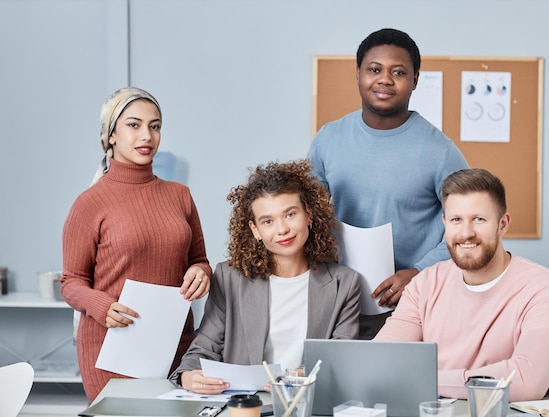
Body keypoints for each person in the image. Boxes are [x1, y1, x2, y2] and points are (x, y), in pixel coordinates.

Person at [307, 28, 469, 338]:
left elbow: (468, 227)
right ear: (358, 75)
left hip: (410, 302)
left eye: (398, 72)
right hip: (339, 298)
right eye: (374, 70)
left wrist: (419, 274)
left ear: (415, 80)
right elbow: (306, 212)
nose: (385, 79)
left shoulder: (440, 151)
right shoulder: (328, 138)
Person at [61, 87, 212, 401]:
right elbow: (71, 283)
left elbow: (199, 260)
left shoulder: (180, 195)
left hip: (176, 345)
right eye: (134, 125)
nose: (147, 135)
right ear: (112, 135)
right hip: (112, 347)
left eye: (154, 126)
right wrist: (100, 306)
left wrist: (201, 272)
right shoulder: (89, 203)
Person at [374, 168, 549, 401]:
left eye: (479, 219)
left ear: (503, 224)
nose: (466, 233)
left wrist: (422, 379)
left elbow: (524, 382)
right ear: (445, 224)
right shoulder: (424, 284)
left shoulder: (546, 291)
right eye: (456, 220)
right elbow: (381, 360)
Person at [169, 160, 361, 394]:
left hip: (305, 404)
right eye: (268, 221)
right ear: (255, 230)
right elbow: (202, 348)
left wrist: (306, 373)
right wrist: (188, 376)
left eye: (290, 214)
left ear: (308, 215)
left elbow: (340, 360)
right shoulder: (230, 279)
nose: (282, 230)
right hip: (244, 406)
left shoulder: (344, 284)